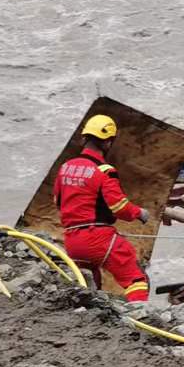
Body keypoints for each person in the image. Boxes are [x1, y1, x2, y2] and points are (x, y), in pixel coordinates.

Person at [54, 114, 152, 303]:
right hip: (99, 239)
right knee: (135, 278)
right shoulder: (104, 170)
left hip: (72, 241)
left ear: (84, 138)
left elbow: (58, 200)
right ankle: (140, 318)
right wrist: (139, 213)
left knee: (91, 280)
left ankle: (90, 312)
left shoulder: (65, 167)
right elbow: (119, 207)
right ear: (108, 143)